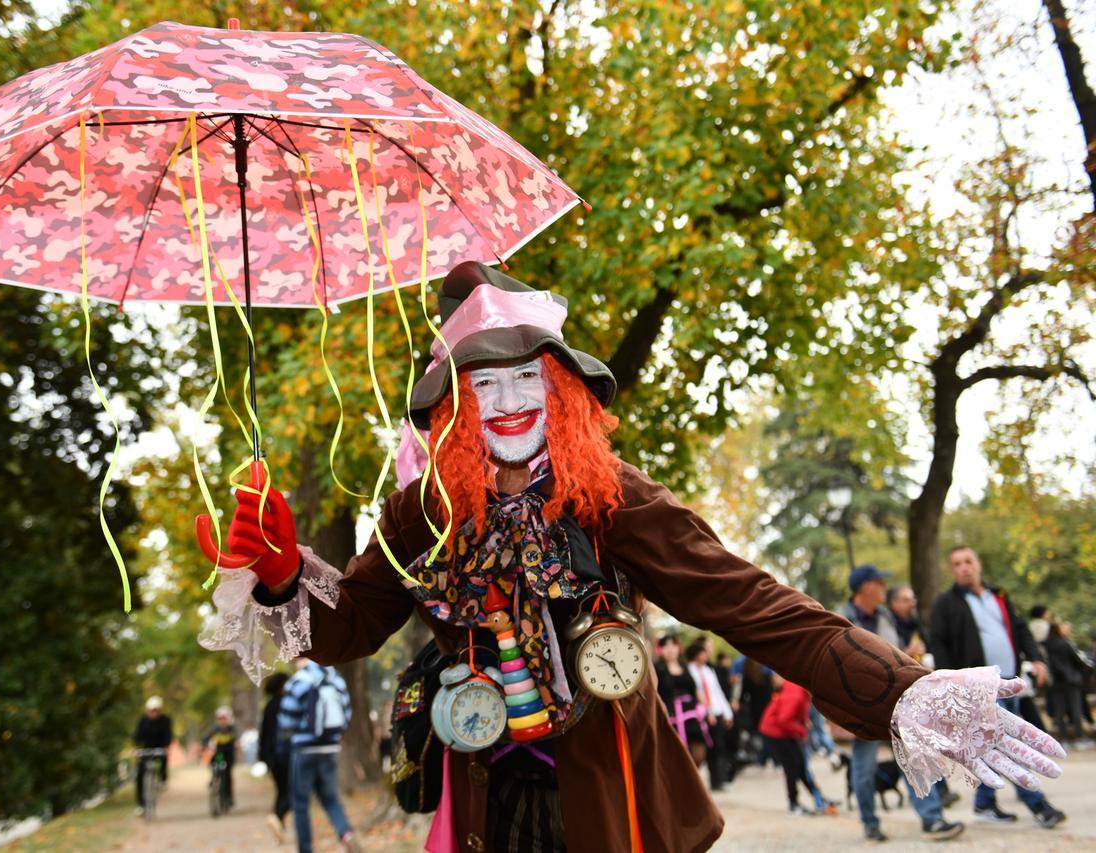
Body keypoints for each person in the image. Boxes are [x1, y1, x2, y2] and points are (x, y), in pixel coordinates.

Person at [199, 261, 1064, 852]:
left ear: (564, 390)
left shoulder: (611, 496)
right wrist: (279, 572)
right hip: (484, 800)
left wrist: (906, 688)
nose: (506, 402)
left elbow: (747, 602)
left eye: (527, 378)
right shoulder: (423, 511)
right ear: (452, 405)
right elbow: (350, 625)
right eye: (482, 384)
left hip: (611, 797)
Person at [929, 545, 1067, 829]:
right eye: (957, 564)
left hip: (1012, 682)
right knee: (1010, 746)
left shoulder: (999, 595)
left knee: (994, 746)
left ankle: (984, 803)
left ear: (978, 564)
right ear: (951, 570)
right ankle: (1039, 806)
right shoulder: (945, 604)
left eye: (968, 561)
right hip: (980, 688)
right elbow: (940, 648)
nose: (964, 567)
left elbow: (1019, 629)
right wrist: (954, 687)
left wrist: (1037, 659)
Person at [838, 565, 964, 841]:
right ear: (864, 587)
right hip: (863, 704)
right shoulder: (841, 618)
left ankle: (932, 819)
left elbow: (890, 654)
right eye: (879, 583)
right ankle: (870, 822)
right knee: (864, 767)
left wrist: (907, 654)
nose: (884, 587)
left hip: (896, 700)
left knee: (916, 759)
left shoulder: (885, 616)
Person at [278, 658, 360, 853]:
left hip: (304, 750)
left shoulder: (298, 681)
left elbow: (286, 720)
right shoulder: (336, 680)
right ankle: (346, 834)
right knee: (331, 798)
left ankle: (306, 849)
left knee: (300, 803)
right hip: (331, 748)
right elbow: (347, 714)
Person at [758, 673, 826, 815]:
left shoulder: (800, 690)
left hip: (785, 731)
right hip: (774, 731)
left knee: (801, 765)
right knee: (792, 767)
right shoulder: (796, 695)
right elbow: (784, 720)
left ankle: (818, 798)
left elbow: (799, 709)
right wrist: (802, 731)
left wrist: (804, 720)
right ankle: (793, 804)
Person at [653, 634, 709, 767]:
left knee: (698, 753)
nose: (670, 649)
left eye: (673, 645)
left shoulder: (685, 667)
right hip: (670, 717)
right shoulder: (657, 669)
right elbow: (654, 693)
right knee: (674, 755)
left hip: (691, 716)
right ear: (661, 650)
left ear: (678, 648)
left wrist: (705, 708)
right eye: (666, 646)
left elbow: (695, 690)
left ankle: (692, 781)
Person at [687, 637, 734, 791]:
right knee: (703, 750)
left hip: (717, 713)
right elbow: (697, 694)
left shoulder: (708, 670)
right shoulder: (689, 671)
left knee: (719, 748)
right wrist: (707, 713)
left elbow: (717, 693)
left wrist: (727, 713)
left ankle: (718, 780)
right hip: (702, 716)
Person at [1044, 621, 1092, 747]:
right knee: (1076, 709)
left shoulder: (1047, 644)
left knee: (1059, 711)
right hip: (1071, 680)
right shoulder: (1065, 643)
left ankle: (1063, 739)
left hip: (1055, 681)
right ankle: (1079, 737)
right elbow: (1077, 660)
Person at [258, 672, 292, 842]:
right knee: (292, 791)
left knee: (281, 790)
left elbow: (263, 733)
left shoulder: (269, 705)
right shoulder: (285, 703)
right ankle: (277, 817)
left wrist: (263, 756)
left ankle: (280, 828)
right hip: (284, 754)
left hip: (271, 756)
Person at [132, 696, 173, 815]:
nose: (153, 713)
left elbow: (168, 735)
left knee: (163, 759)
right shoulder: (143, 720)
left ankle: (162, 779)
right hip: (145, 750)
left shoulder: (165, 720)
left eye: (156, 710)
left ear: (160, 710)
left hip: (159, 749)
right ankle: (141, 805)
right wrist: (136, 747)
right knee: (140, 774)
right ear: (147, 710)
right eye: (151, 710)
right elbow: (137, 736)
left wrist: (166, 746)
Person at [200, 705, 237, 811]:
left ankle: (228, 797)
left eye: (224, 718)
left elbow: (238, 738)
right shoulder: (214, 729)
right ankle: (214, 779)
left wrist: (238, 744)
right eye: (220, 718)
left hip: (229, 754)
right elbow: (205, 738)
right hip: (218, 754)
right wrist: (204, 744)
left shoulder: (232, 729)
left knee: (228, 775)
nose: (222, 721)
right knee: (214, 767)